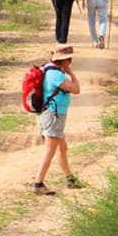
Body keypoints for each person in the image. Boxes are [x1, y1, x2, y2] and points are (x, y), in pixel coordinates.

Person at [33, 45, 83, 195]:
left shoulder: (48, 70)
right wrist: (72, 74)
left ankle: (70, 179)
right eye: (69, 59)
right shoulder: (56, 75)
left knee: (62, 148)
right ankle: (38, 183)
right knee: (50, 150)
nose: (71, 62)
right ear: (64, 60)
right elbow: (76, 89)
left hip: (51, 114)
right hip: (53, 115)